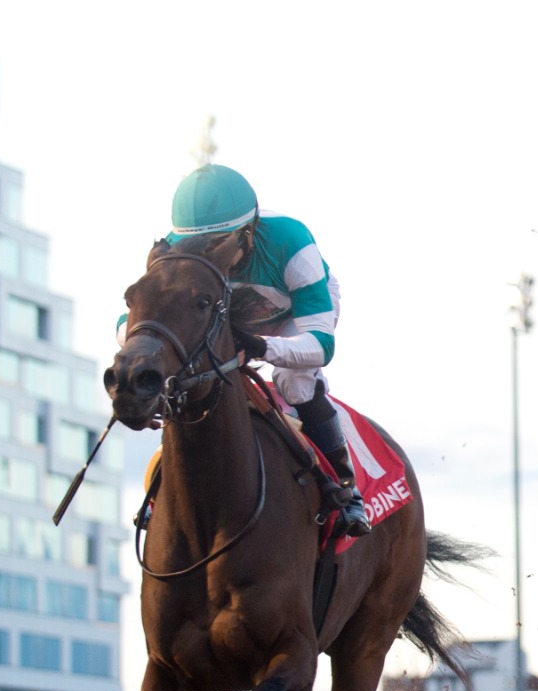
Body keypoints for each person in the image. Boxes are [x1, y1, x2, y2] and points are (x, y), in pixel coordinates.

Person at [124, 164, 370, 536]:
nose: (209, 254)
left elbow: (321, 345)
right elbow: (128, 323)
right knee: (191, 377)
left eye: (220, 243)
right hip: (228, 315)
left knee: (295, 383)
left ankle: (346, 489)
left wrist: (259, 346)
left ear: (248, 232)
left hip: (292, 314)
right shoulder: (174, 251)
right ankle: (163, 491)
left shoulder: (291, 241)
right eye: (198, 245)